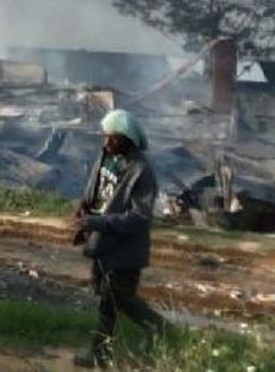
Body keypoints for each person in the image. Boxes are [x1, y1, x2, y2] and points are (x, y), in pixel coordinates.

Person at [72, 109, 167, 368]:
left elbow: (140, 217)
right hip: (103, 243)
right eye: (106, 137)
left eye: (113, 138)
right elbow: (97, 189)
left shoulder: (142, 170)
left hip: (125, 249)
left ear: (129, 138)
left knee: (119, 298)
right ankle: (99, 353)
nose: (107, 143)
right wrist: (84, 204)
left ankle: (158, 328)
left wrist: (99, 221)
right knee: (107, 302)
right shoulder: (106, 156)